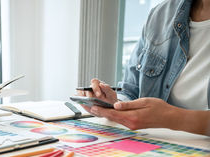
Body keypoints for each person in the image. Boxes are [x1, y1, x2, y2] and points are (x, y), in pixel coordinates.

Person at [78, 0, 210, 136]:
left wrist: (170, 118)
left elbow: (163, 116)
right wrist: (114, 103)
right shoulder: (161, 14)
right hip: (161, 145)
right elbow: (131, 91)